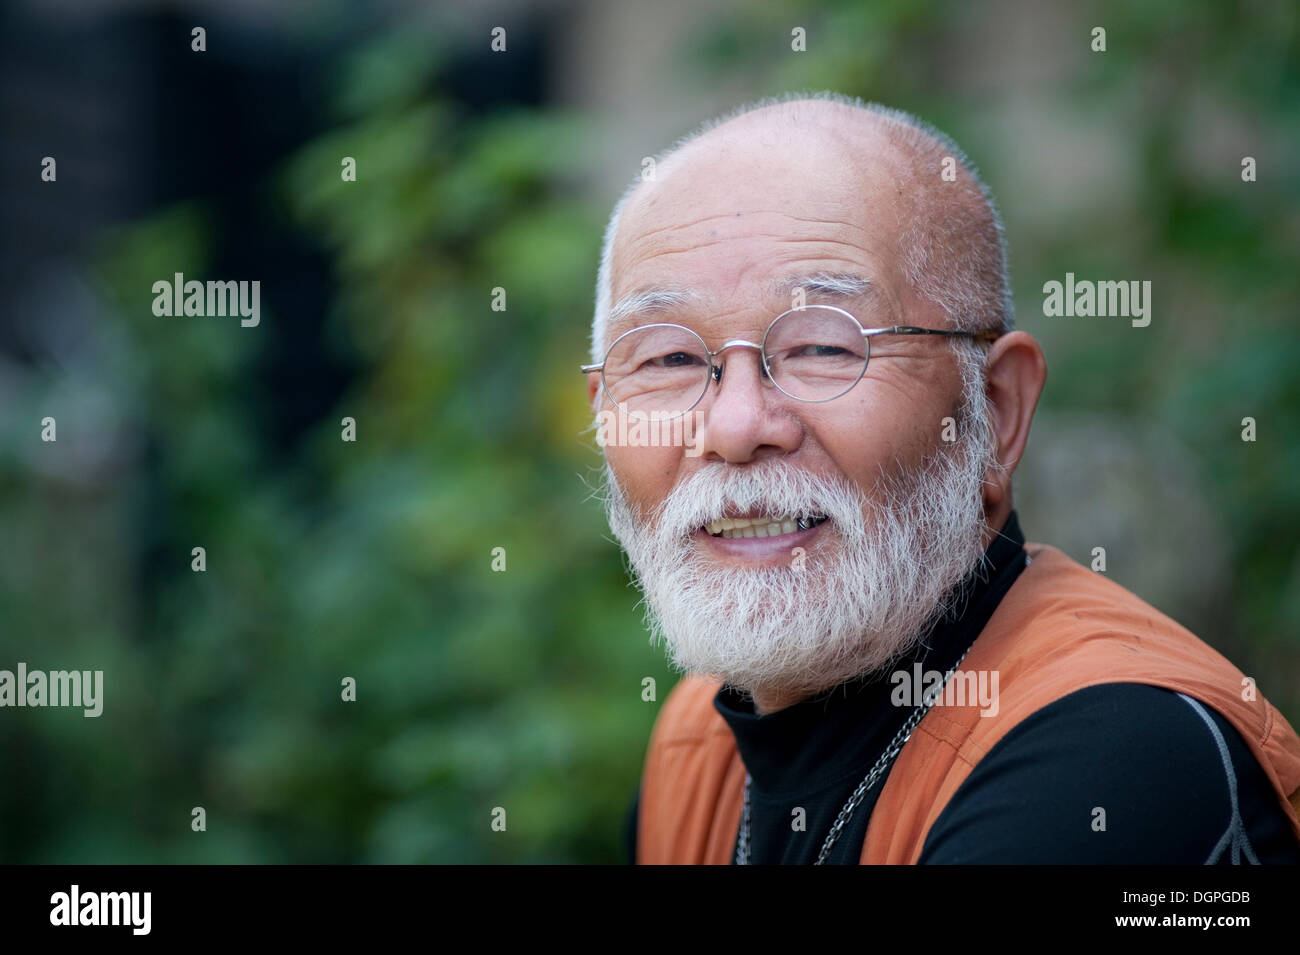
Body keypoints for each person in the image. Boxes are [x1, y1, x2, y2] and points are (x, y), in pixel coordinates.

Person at [581, 92, 1300, 864]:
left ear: (994, 411)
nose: (735, 426)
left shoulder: (1117, 754)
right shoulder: (698, 750)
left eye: (824, 346)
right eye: (671, 361)